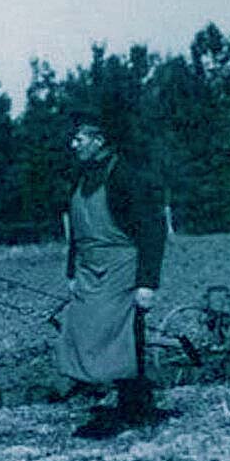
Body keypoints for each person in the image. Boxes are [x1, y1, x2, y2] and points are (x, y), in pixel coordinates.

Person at [57, 122, 167, 438]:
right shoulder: (82, 179)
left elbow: (152, 229)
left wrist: (147, 282)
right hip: (89, 269)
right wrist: (71, 273)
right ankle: (125, 401)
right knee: (81, 329)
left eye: (78, 139)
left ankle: (136, 407)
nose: (73, 145)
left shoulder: (126, 176)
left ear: (98, 140)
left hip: (122, 267)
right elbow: (77, 234)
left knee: (121, 335)